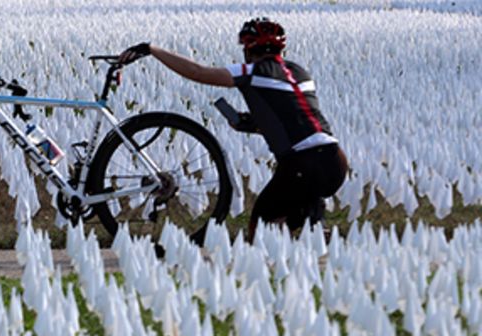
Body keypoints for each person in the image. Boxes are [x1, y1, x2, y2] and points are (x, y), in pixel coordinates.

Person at [117, 19, 348, 242]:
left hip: (302, 165)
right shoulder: (300, 72)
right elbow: (297, 121)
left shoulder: (253, 71)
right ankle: (315, 239)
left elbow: (198, 72)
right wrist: (256, 125)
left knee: (262, 228)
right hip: (335, 161)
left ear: (248, 49)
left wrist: (152, 49)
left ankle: (282, 267)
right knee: (293, 217)